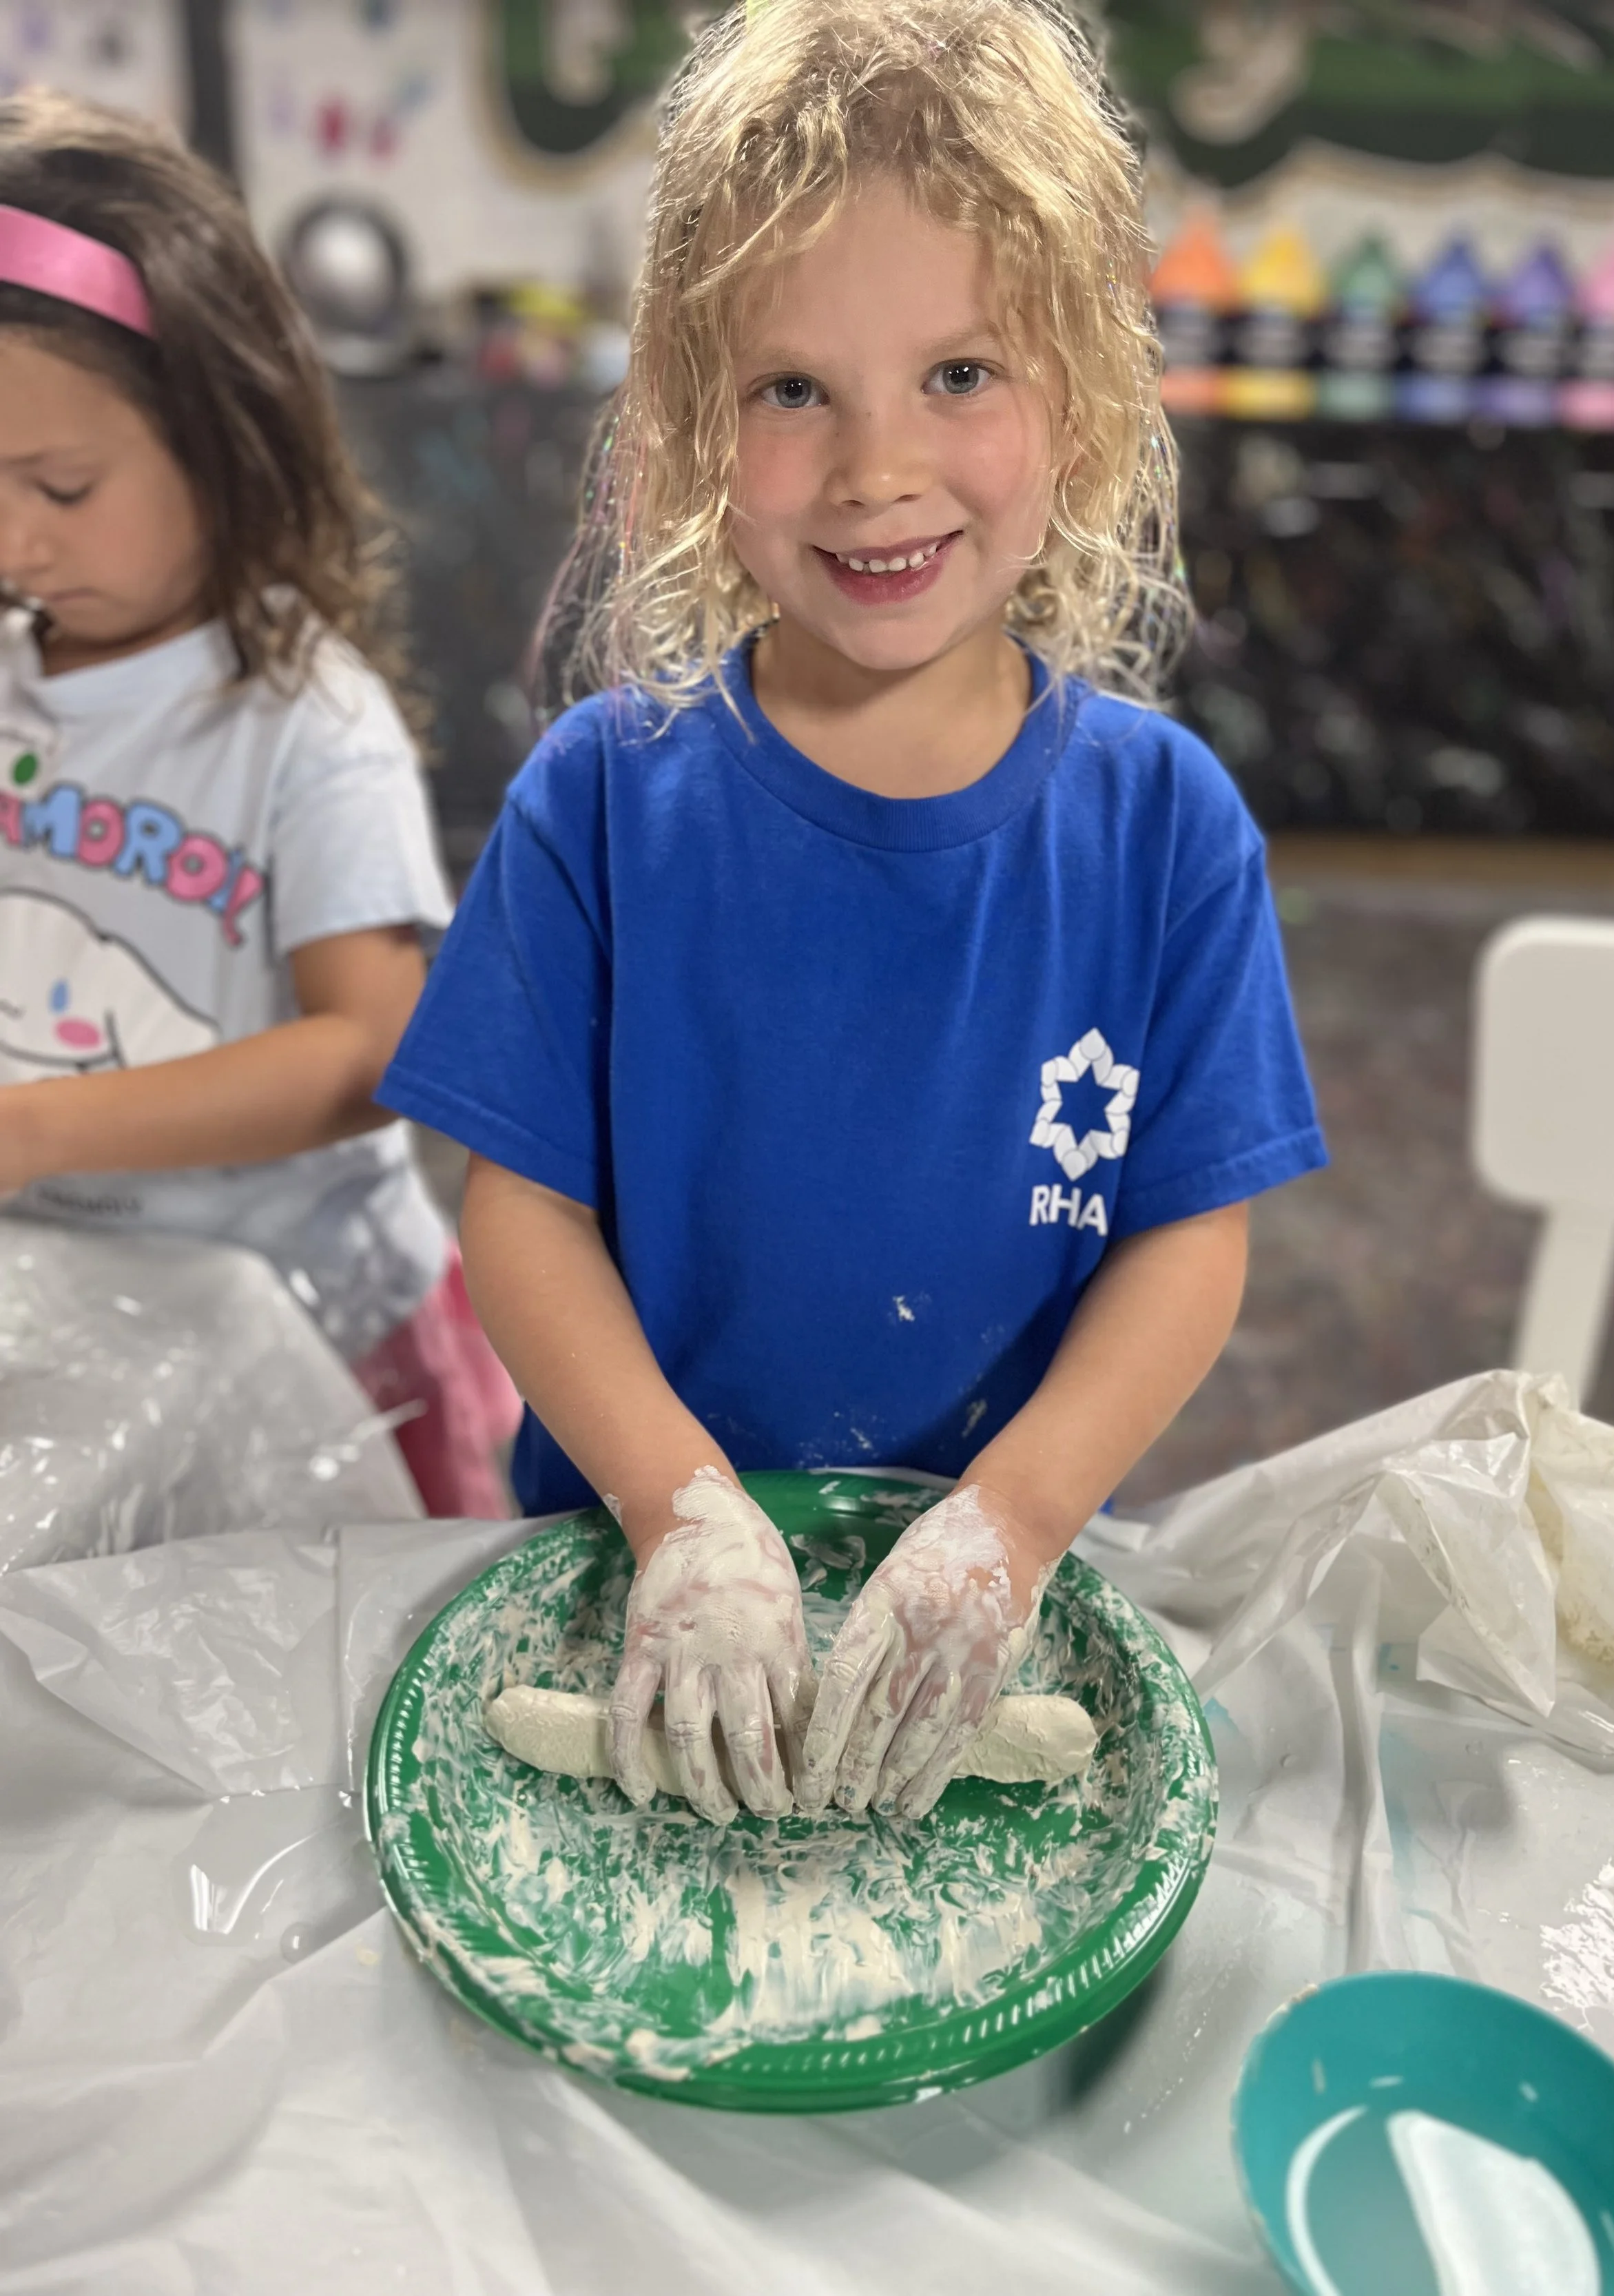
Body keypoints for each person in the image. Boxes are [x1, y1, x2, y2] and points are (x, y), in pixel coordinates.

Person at [382, 0, 1327, 1821]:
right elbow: (521, 1217)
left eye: (958, 375)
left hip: (997, 1586)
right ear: (687, 419)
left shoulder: (1164, 835)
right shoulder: (600, 799)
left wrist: (1005, 1528)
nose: (875, 468)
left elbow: (1185, 1244)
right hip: (629, 1563)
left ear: (1082, 400)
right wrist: (688, 1517)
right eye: (792, 389)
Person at [0, 92, 519, 1518]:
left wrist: (38, 1126)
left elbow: (367, 1047)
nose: (15, 537)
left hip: (316, 1347)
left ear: (226, 442)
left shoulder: (303, 724)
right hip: (79, 1315)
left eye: (60, 482)